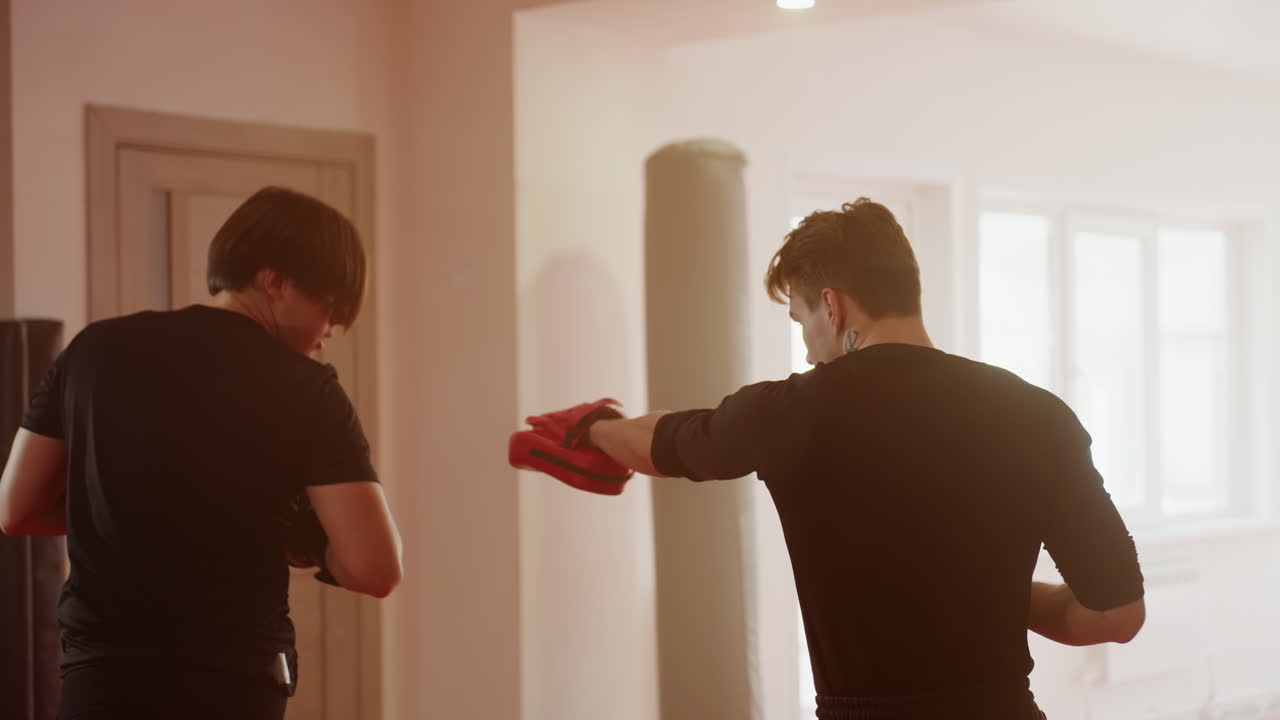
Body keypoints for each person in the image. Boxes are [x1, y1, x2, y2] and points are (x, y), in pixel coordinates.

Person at [563, 198, 1145, 719]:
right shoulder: (1035, 415)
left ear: (832, 307)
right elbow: (1118, 615)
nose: (807, 351)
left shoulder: (787, 413)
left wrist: (596, 429)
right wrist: (993, 595)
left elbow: (667, 442)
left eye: (801, 322)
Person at [0, 187, 402, 720]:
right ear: (274, 280)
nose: (328, 333)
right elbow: (374, 568)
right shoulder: (305, 387)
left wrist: (126, 511)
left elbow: (17, 510)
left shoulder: (92, 351)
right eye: (330, 310)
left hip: (102, 679)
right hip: (231, 683)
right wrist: (300, 539)